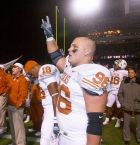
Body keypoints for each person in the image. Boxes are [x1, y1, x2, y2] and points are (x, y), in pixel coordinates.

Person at [41, 16, 111, 145]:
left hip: (79, 139)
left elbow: (95, 121)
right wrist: (49, 36)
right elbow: (56, 56)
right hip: (63, 135)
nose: (69, 50)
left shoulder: (92, 73)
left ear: (87, 51)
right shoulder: (70, 67)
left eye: (74, 47)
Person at [24, 60, 60, 145]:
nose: (31, 76)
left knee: (51, 141)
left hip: (52, 111)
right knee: (45, 139)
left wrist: (55, 119)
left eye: (30, 73)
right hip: (49, 111)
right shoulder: (41, 74)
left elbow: (55, 95)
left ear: (33, 68)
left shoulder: (44, 70)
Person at [7, 63, 28, 145]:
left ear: (19, 69)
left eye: (15, 68)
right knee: (12, 126)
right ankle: (15, 142)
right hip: (10, 105)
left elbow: (24, 94)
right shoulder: (11, 78)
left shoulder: (23, 79)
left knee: (18, 127)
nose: (12, 69)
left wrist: (18, 104)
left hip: (17, 107)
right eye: (12, 67)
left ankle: (21, 143)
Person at [118, 67, 140, 145]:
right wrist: (123, 103)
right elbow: (120, 94)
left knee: (139, 124)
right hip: (126, 106)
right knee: (126, 124)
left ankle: (139, 138)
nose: (130, 74)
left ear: (135, 73)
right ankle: (127, 139)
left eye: (132, 72)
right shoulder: (124, 81)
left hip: (138, 106)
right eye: (129, 72)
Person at [103, 59, 128, 127]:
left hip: (119, 91)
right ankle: (107, 119)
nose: (115, 65)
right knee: (108, 105)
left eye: (117, 64)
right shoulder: (112, 70)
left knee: (119, 106)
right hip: (112, 90)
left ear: (121, 65)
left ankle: (118, 120)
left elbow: (131, 74)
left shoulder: (124, 72)